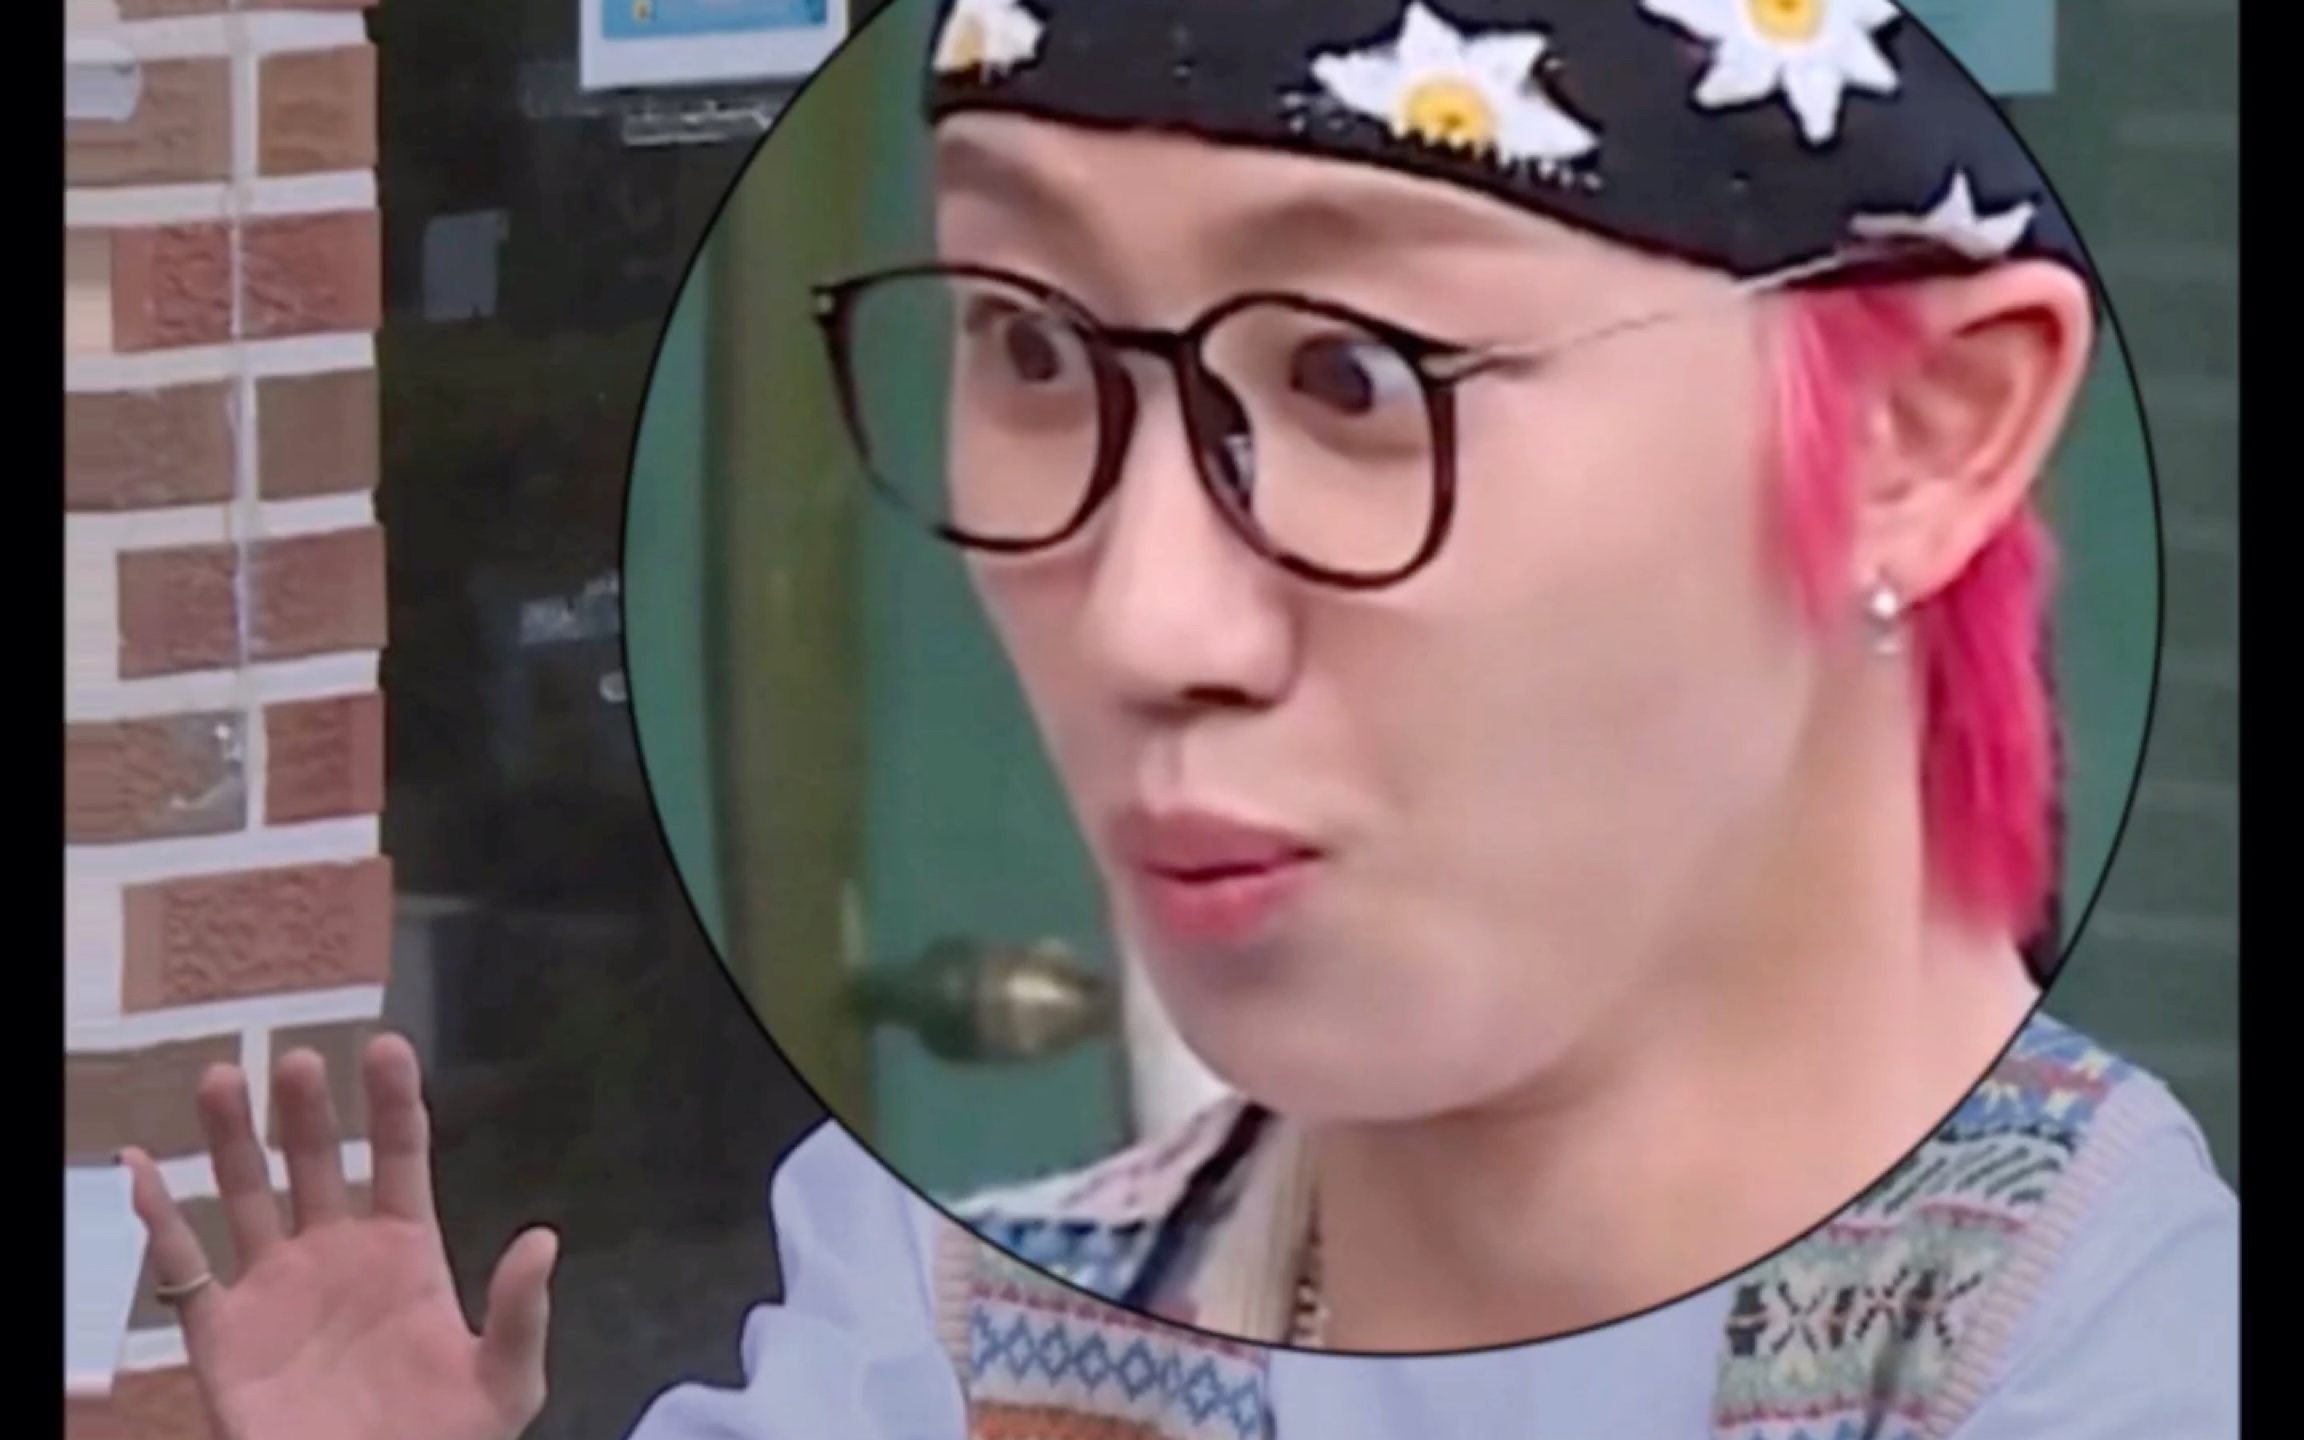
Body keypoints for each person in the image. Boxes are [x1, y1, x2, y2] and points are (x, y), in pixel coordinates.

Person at [122, 0, 2238, 1433]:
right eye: (1033, 354)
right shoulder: (983, 1275)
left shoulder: (2084, 1319)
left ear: (1922, 438)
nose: (1145, 620)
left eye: (1352, 375)